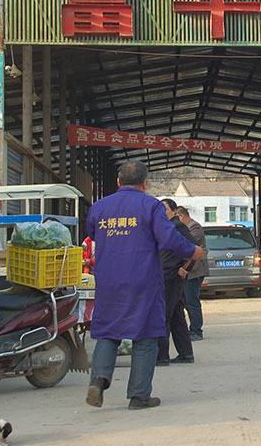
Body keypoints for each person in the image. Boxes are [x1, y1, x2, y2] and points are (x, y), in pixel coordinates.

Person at [85, 161, 202, 410]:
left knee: (108, 332)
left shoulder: (99, 207)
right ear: (144, 183)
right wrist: (193, 250)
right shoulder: (150, 206)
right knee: (146, 334)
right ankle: (139, 396)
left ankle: (98, 380)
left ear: (118, 182)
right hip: (143, 280)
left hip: (108, 281)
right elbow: (168, 238)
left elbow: (93, 234)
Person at [157, 198, 197, 366]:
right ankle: (186, 354)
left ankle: (161, 357)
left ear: (173, 211)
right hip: (166, 274)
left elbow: (194, 248)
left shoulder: (177, 226)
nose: (162, 212)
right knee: (176, 316)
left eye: (165, 209)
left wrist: (185, 267)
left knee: (164, 315)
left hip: (171, 276)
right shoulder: (165, 227)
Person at [175, 206, 207, 341]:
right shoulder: (185, 227)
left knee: (191, 301)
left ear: (181, 216)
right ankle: (189, 329)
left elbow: (187, 245)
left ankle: (196, 330)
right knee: (183, 301)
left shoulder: (195, 228)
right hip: (185, 269)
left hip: (193, 270)